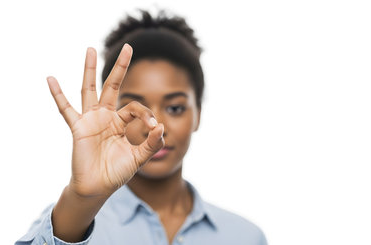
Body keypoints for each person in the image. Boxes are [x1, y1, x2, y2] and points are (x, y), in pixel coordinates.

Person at [15, 10, 267, 245]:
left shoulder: (245, 236)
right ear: (112, 113)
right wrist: (82, 199)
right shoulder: (70, 223)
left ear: (198, 114)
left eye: (175, 108)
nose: (155, 127)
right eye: (135, 108)